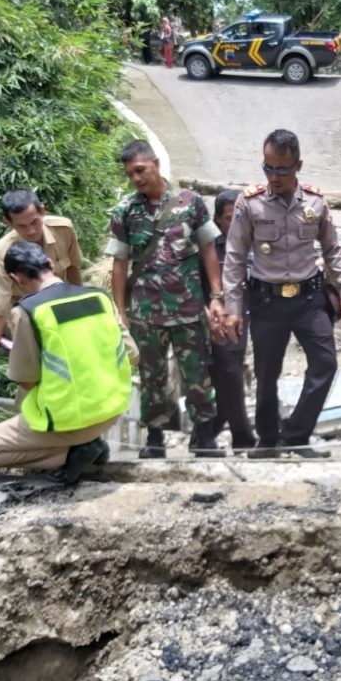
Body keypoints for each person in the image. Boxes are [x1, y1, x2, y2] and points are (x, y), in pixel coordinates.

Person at [222, 129, 341, 459]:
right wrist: (233, 307)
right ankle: (268, 441)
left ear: (298, 165)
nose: (274, 177)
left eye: (282, 169)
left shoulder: (315, 200)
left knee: (325, 363)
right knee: (268, 374)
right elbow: (235, 257)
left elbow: (333, 249)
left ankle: (296, 435)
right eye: (268, 168)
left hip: (309, 299)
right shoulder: (249, 203)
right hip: (266, 300)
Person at [0, 242, 136, 484]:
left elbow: (27, 379)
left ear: (17, 278)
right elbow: (132, 353)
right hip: (111, 410)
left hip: (67, 421)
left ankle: (72, 453)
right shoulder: (100, 297)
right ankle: (85, 444)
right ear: (51, 264)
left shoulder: (29, 311)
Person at [106, 140, 226, 459]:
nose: (135, 179)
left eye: (140, 170)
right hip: (146, 313)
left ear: (156, 164)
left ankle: (204, 436)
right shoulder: (126, 212)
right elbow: (120, 264)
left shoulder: (191, 203)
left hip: (188, 310)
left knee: (197, 373)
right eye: (130, 174)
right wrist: (120, 309)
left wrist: (216, 296)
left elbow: (209, 251)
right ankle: (155, 438)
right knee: (152, 377)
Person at [0, 190, 83, 399]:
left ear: (42, 212)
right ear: (8, 223)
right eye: (21, 226)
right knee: (32, 370)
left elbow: (73, 269)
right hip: (25, 313)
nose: (31, 231)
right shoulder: (4, 252)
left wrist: (80, 306)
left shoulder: (63, 229)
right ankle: (28, 412)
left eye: (34, 222)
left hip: (58, 303)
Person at [204, 189, 256, 452]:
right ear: (217, 220)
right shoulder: (209, 249)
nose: (236, 224)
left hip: (245, 319)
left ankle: (204, 435)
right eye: (229, 218)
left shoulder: (256, 242)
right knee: (229, 375)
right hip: (218, 320)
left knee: (230, 377)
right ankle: (243, 438)